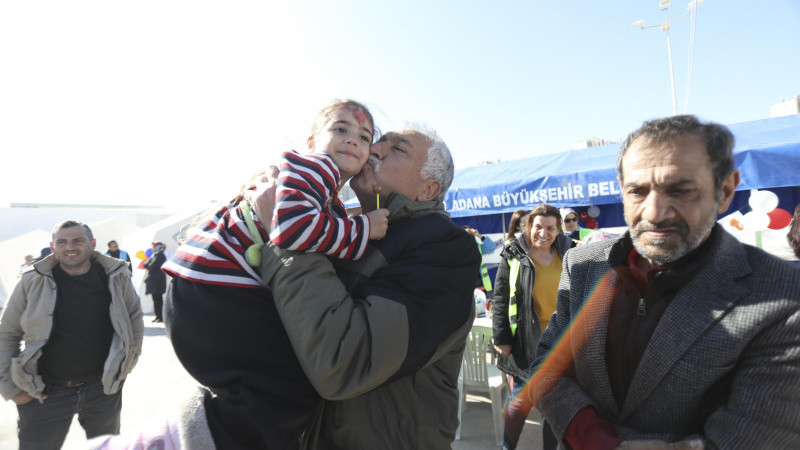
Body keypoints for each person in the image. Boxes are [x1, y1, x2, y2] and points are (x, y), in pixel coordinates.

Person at [530, 115, 800, 449]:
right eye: (638, 191)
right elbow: (547, 365)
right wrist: (592, 436)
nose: (655, 212)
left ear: (726, 191)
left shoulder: (784, 294)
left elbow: (755, 434)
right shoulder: (584, 265)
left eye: (680, 190)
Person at [253, 124, 480, 448]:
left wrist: (290, 235)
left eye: (397, 149)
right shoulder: (349, 230)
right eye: (377, 143)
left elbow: (343, 360)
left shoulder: (446, 249)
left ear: (428, 189)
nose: (373, 150)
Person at [0, 220, 144, 450]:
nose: (70, 247)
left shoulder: (115, 275)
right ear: (53, 246)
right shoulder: (32, 279)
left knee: (107, 447)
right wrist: (10, 388)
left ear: (92, 243)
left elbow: (134, 318)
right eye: (62, 242)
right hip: (43, 392)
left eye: (78, 240)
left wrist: (126, 367)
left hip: (103, 389)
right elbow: (6, 333)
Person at [268, 100, 389, 259]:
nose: (353, 140)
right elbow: (290, 230)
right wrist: (366, 227)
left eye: (364, 137)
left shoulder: (335, 204)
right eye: (340, 129)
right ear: (312, 143)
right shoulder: (318, 165)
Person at [492, 204, 571, 450]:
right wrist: (501, 337)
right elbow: (501, 297)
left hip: (561, 342)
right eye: (538, 227)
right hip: (527, 342)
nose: (543, 233)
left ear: (559, 230)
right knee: (520, 402)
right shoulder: (514, 254)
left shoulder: (569, 252)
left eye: (550, 228)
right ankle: (507, 447)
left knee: (552, 405)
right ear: (529, 227)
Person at [464, 225, 497, 297]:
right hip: (466, 288)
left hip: (481, 287)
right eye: (465, 233)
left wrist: (479, 236)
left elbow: (492, 247)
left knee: (483, 307)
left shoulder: (477, 246)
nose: (468, 235)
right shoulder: (457, 248)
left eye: (470, 233)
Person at [143, 241, 167, 323]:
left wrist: (148, 264)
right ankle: (157, 316)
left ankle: (161, 316)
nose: (152, 248)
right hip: (153, 282)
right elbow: (145, 264)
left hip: (158, 282)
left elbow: (151, 266)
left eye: (154, 246)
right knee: (155, 300)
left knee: (158, 300)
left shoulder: (160, 256)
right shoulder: (154, 255)